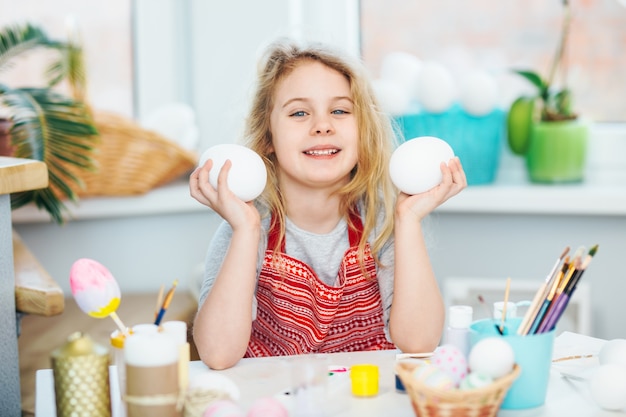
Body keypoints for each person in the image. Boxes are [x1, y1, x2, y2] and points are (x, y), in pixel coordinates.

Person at [189, 38, 467, 370]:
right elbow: (218, 355)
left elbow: (420, 343)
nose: (323, 125)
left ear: (363, 132)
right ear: (268, 137)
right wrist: (245, 230)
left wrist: (408, 221)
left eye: (339, 110)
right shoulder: (247, 225)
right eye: (299, 112)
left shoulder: (381, 222)